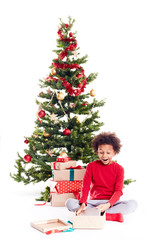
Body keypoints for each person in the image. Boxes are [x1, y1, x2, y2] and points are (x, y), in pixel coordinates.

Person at [65, 132, 138, 222]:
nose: (104, 155)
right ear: (97, 152)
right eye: (101, 152)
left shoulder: (119, 169)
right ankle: (108, 215)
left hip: (111, 203)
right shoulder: (91, 166)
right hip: (94, 203)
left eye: (108, 152)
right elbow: (85, 186)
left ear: (114, 153)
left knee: (132, 204)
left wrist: (108, 204)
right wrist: (83, 203)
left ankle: (95, 214)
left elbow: (118, 191)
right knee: (69, 203)